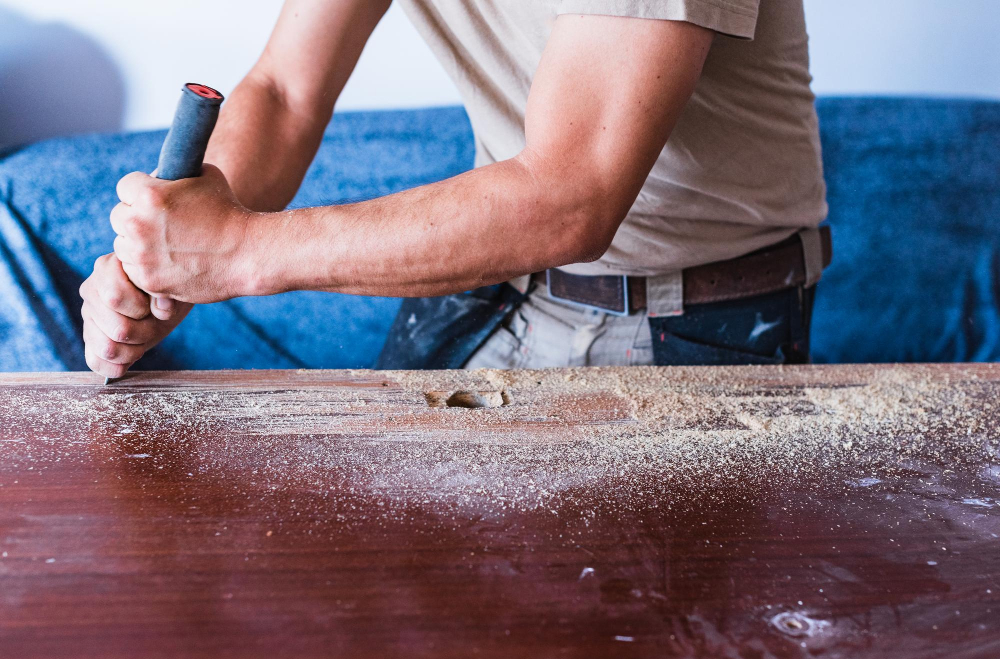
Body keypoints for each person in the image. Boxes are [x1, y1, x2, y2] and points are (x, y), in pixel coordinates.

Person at [79, 0, 830, 379]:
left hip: (688, 311)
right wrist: (179, 250)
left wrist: (236, 251)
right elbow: (284, 91)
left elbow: (572, 196)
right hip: (491, 271)